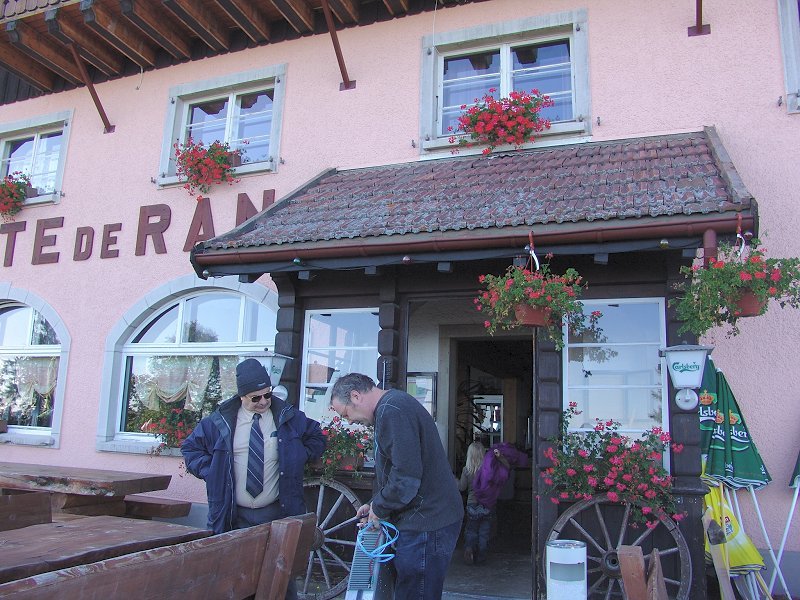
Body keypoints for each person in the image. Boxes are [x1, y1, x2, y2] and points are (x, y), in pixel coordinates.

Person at [182, 358, 326, 600]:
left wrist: (300, 456)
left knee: (282, 580)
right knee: (235, 580)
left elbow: (317, 437)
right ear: (241, 396)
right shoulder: (219, 422)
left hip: (277, 513)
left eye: (267, 395)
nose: (263, 402)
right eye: (255, 398)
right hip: (233, 515)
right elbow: (191, 449)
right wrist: (213, 472)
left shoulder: (288, 417)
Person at [330, 373, 464, 600]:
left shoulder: (392, 411)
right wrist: (375, 504)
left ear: (355, 396)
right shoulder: (393, 406)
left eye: (346, 414)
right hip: (428, 517)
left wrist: (380, 507)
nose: (349, 421)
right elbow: (400, 471)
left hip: (427, 521)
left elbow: (406, 479)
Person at [459, 441, 493, 565]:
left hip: (472, 504)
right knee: (484, 532)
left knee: (471, 530)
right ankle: (482, 554)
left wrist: (456, 480)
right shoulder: (488, 470)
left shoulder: (466, 470)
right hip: (486, 504)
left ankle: (469, 548)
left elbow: (462, 488)